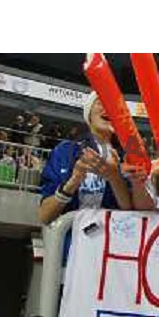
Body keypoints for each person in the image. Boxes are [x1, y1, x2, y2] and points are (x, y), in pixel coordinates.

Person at [38, 91, 132, 224]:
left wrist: (114, 177)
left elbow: (133, 211)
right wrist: (72, 182)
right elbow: (45, 216)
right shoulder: (64, 151)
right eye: (101, 102)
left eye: (114, 105)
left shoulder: (129, 157)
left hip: (114, 241)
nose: (108, 108)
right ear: (89, 113)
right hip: (73, 242)